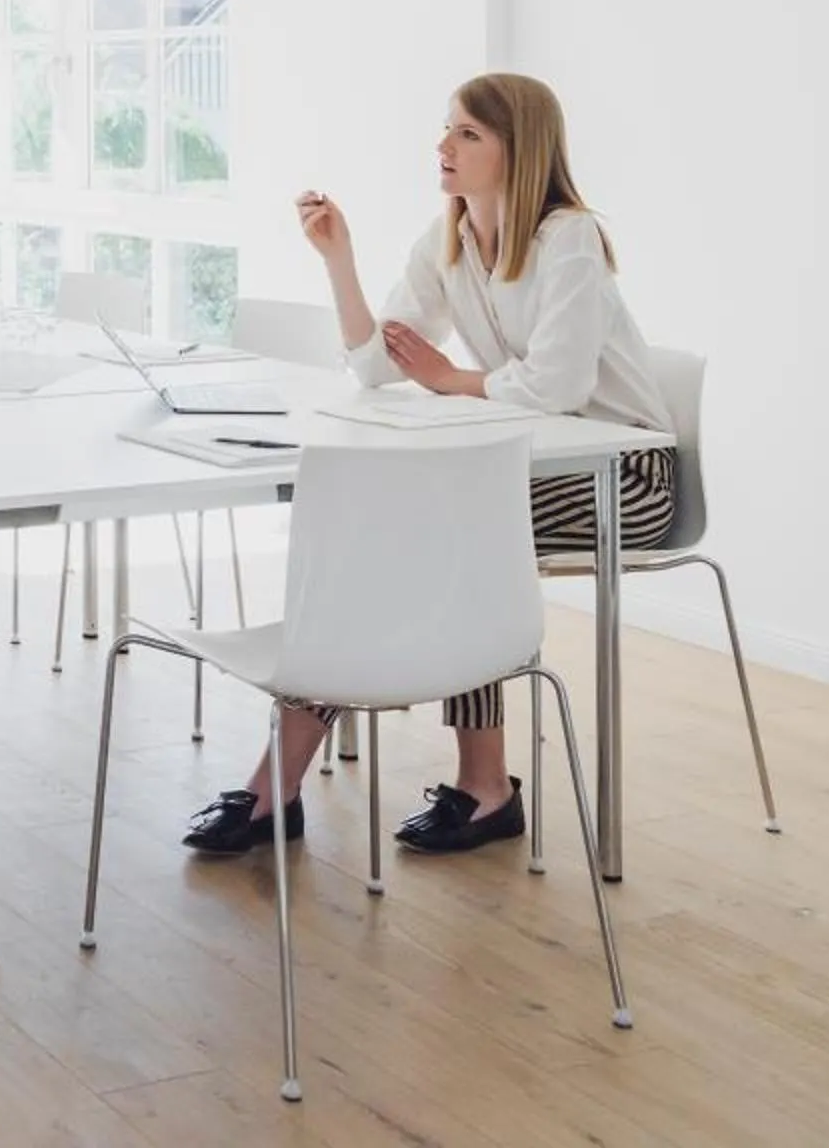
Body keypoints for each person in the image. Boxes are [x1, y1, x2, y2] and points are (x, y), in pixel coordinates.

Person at [182, 71, 675, 859]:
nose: (443, 147)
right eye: (446, 129)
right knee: (415, 531)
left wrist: (452, 381)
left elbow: (562, 385)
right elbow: (376, 367)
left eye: (468, 135)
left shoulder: (568, 237)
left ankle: (446, 787)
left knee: (456, 536)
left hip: (626, 479)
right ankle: (345, 788)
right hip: (523, 471)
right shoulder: (447, 238)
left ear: (521, 152)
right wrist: (337, 260)